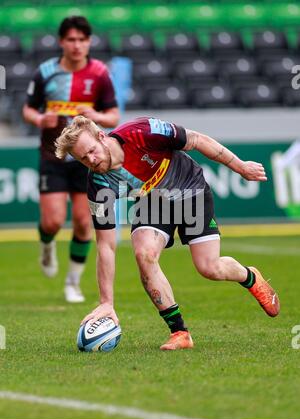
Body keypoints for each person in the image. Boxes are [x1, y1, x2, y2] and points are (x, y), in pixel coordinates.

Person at [55, 115, 280, 350]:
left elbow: (197, 140)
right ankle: (180, 332)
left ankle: (250, 277)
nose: (91, 160)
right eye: (83, 158)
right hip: (152, 201)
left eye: (92, 151)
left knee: (209, 268)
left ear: (102, 136)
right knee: (144, 254)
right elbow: (105, 245)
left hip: (190, 190)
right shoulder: (98, 184)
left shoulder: (142, 132)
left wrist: (240, 167)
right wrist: (106, 302)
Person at [23, 16, 120, 303]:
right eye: (71, 40)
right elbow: (27, 109)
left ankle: (73, 282)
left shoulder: (100, 73)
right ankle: (46, 244)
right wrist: (40, 118)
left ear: (89, 42)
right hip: (52, 154)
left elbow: (114, 116)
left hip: (87, 159)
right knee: (52, 221)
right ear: (61, 42)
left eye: (82, 39)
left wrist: (97, 116)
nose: (77, 45)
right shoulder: (46, 72)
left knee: (81, 222)